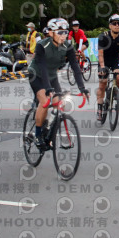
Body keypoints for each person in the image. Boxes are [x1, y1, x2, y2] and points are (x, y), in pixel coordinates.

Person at [28, 18, 89, 150]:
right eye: (60, 32)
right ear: (51, 33)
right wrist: (48, 88)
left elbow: (75, 67)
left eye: (65, 32)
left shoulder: (67, 46)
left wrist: (82, 88)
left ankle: (48, 129)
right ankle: (37, 134)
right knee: (45, 101)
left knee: (60, 103)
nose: (63, 35)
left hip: (51, 76)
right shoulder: (42, 45)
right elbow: (42, 67)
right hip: (37, 75)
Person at [96, 14, 119, 121]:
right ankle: (100, 108)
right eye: (114, 23)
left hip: (115, 60)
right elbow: (100, 54)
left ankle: (112, 93)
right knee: (102, 83)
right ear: (110, 25)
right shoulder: (103, 36)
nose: (117, 25)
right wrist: (102, 67)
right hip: (104, 60)